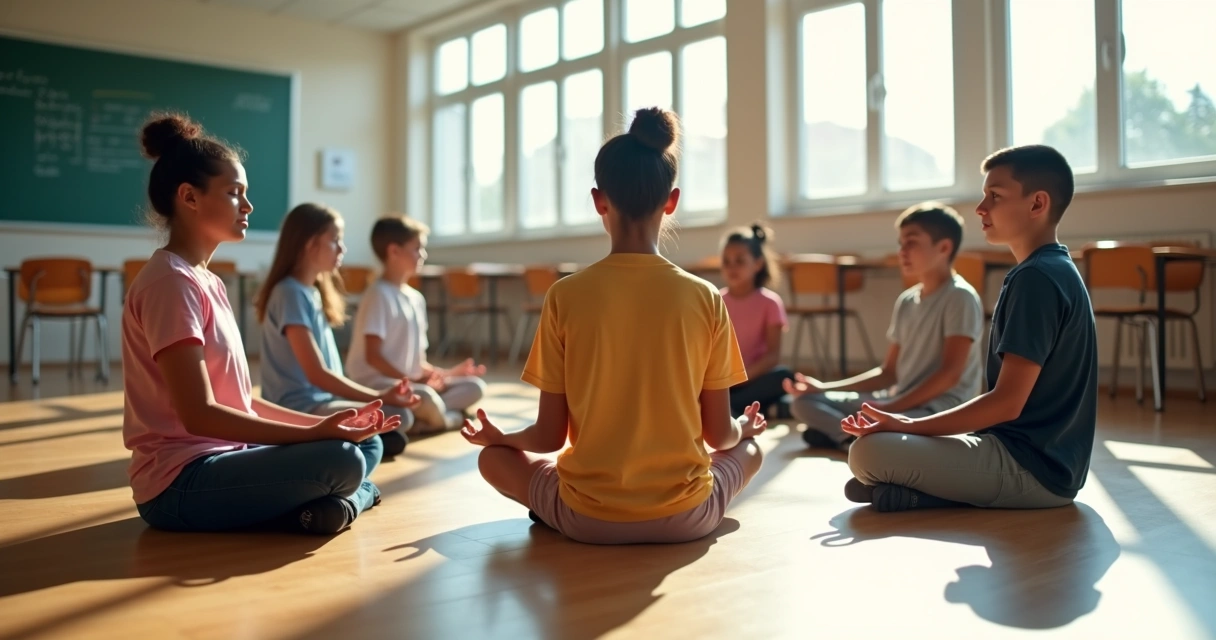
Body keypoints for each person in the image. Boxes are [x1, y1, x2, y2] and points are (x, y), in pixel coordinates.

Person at [460, 107, 766, 544]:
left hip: (586, 518)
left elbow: (548, 437)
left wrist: (503, 437)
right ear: (672, 201)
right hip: (688, 516)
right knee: (750, 450)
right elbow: (719, 435)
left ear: (599, 201)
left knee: (492, 459)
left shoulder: (564, 296)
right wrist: (744, 430)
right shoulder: (706, 298)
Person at [123, 113, 399, 535]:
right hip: (179, 484)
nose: (248, 206)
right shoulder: (170, 283)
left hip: (225, 456)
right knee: (343, 459)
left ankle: (326, 503)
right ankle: (353, 497)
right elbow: (199, 417)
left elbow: (241, 404)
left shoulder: (207, 281)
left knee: (363, 443)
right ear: (189, 197)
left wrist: (325, 426)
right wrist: (317, 436)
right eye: (234, 193)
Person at [841, 145, 1098, 512]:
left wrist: (908, 425)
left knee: (868, 453)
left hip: (1034, 471)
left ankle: (921, 491)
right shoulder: (1049, 269)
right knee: (876, 448)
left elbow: (1007, 403)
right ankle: (915, 491)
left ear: (1037, 204)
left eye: (995, 196)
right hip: (1039, 463)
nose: (980, 208)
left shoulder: (1037, 278)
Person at [785, 203, 984, 451]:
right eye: (901, 243)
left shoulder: (960, 297)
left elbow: (950, 375)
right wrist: (823, 387)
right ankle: (854, 438)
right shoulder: (907, 301)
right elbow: (888, 373)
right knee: (803, 402)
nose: (902, 251)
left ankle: (851, 435)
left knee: (894, 428)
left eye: (911, 243)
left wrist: (891, 409)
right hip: (896, 400)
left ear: (944, 247)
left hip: (937, 409)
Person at [255, 203, 419, 457]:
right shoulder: (289, 293)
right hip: (299, 408)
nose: (342, 249)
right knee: (397, 416)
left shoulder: (310, 292)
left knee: (400, 417)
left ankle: (353, 441)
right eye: (335, 240)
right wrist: (379, 395)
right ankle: (337, 442)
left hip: (323, 402)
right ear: (309, 243)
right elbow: (317, 374)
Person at [345, 214, 487, 433]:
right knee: (425, 396)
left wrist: (447, 374)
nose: (423, 254)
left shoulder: (416, 298)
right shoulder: (378, 295)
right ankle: (448, 419)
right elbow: (373, 357)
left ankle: (425, 419)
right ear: (394, 251)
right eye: (417, 248)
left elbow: (417, 364)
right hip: (378, 385)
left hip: (408, 383)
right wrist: (410, 381)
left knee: (474, 387)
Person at [719, 223, 794, 418]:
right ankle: (734, 409)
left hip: (752, 379)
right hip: (720, 382)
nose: (732, 267)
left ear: (758, 264)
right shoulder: (715, 301)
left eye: (740, 261)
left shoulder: (770, 303)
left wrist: (741, 378)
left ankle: (728, 410)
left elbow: (772, 356)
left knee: (784, 377)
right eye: (726, 261)